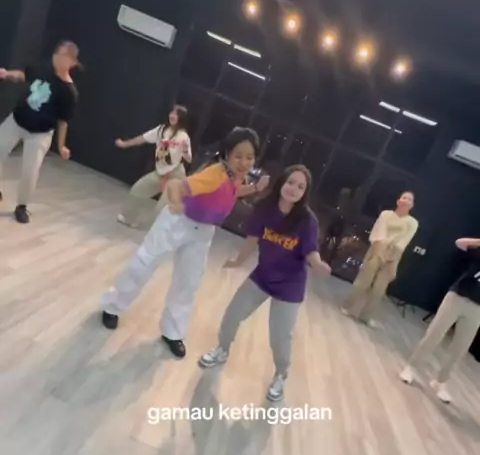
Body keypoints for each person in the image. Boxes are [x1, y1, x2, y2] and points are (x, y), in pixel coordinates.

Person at [101, 127, 269, 358]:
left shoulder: (235, 176)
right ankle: (112, 306)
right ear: (227, 154)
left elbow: (232, 190)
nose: (244, 162)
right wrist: (176, 202)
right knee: (144, 264)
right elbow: (177, 186)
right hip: (178, 222)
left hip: (203, 231)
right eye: (238, 155)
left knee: (188, 282)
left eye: (249, 157)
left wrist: (255, 188)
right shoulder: (215, 173)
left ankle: (173, 332)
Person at [199, 165, 331, 401]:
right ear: (282, 182)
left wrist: (318, 264)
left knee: (280, 336)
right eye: (291, 182)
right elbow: (252, 238)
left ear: (305, 193)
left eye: (300, 187)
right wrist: (239, 261)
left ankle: (281, 375)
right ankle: (222, 349)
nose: (293, 189)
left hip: (289, 286)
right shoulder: (265, 208)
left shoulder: (307, 220)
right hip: (262, 276)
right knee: (232, 314)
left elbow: (311, 251)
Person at [0, 41, 80, 222]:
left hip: (40, 134)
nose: (57, 57)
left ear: (72, 62)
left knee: (30, 172)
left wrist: (61, 146)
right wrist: (7, 74)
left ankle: (22, 206)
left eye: (63, 55)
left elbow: (63, 121)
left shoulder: (69, 92)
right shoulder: (43, 68)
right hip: (17, 120)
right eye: (57, 53)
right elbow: (23, 75)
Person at [400, 237, 480, 404]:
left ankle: (441, 382)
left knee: (460, 348)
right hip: (457, 296)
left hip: (477, 309)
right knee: (434, 334)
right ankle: (411, 367)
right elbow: (459, 243)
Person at [342, 191, 418, 326]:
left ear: (412, 205)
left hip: (394, 254)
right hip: (377, 248)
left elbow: (404, 241)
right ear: (398, 201)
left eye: (410, 199)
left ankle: (366, 316)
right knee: (363, 281)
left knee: (379, 288)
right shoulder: (386, 215)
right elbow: (378, 232)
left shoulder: (412, 223)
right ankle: (347, 305)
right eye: (404, 198)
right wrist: (379, 251)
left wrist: (391, 259)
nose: (406, 200)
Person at [115, 104, 192, 228]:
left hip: (176, 175)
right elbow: (143, 138)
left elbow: (189, 159)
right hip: (160, 172)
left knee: (163, 206)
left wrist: (185, 149)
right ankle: (128, 218)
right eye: (172, 112)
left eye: (176, 114)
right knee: (138, 189)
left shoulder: (183, 136)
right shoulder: (161, 130)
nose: (172, 115)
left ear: (181, 118)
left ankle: (160, 230)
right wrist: (125, 144)